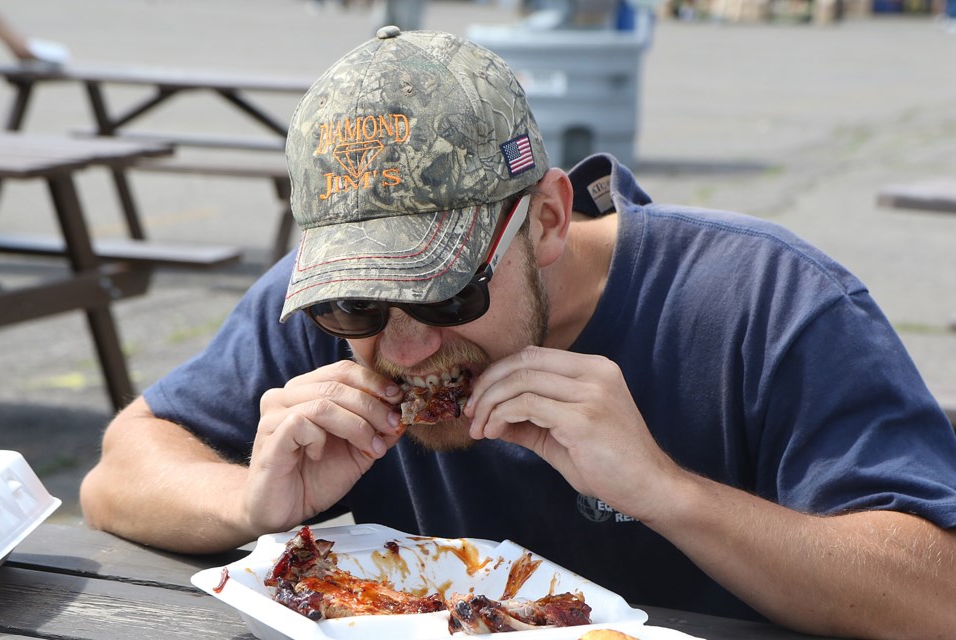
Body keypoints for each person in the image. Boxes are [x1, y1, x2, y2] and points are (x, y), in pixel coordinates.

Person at [80, 27, 956, 638]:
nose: (406, 345)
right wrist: (247, 503)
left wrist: (666, 492)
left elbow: (938, 596)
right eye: (359, 309)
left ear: (545, 219)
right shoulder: (325, 307)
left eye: (446, 294)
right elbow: (122, 464)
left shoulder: (765, 301)